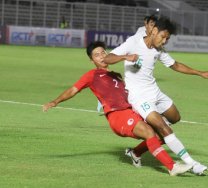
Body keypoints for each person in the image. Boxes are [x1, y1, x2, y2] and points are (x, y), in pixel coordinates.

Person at [42, 41, 192, 176]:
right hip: (118, 115)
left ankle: (135, 153)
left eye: (103, 53)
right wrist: (54, 102)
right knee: (148, 132)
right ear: (92, 60)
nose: (101, 56)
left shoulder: (117, 75)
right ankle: (172, 167)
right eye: (96, 55)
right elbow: (73, 90)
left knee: (162, 134)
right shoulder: (92, 75)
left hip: (132, 111)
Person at [103, 17, 208, 175]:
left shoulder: (158, 50)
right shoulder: (133, 43)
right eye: (163, 37)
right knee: (164, 128)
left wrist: (199, 73)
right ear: (154, 31)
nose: (164, 41)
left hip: (154, 91)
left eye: (167, 39)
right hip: (138, 96)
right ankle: (193, 164)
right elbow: (107, 58)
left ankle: (136, 152)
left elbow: (175, 65)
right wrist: (125, 57)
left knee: (175, 117)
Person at [96, 14, 158, 112]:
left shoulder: (153, 33)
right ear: (145, 23)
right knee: (121, 81)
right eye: (150, 23)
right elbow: (135, 44)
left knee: (124, 84)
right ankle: (106, 103)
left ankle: (125, 105)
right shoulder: (140, 32)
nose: (151, 26)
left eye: (154, 24)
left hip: (136, 60)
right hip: (132, 58)